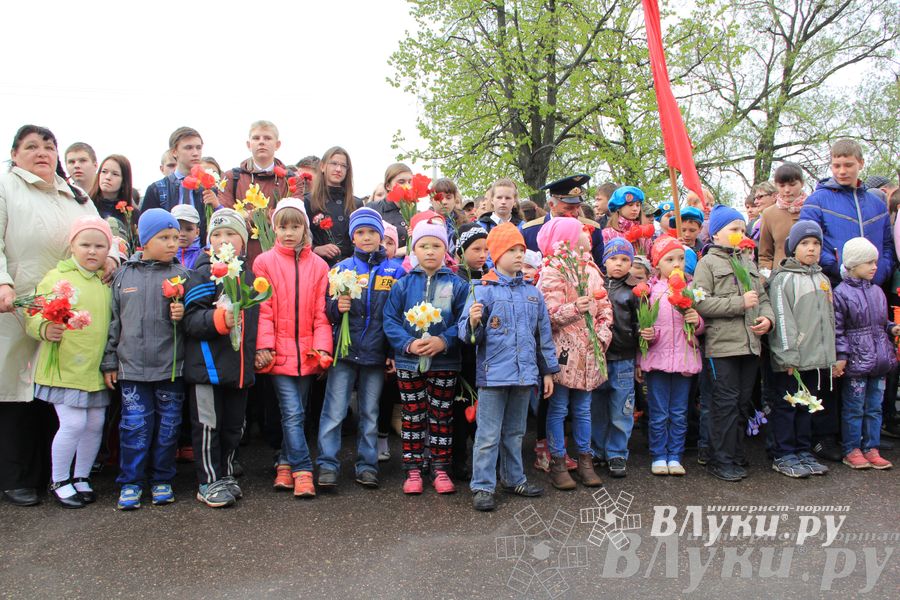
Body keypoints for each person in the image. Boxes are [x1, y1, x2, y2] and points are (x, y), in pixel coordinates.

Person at [0, 125, 109, 508]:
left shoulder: (74, 193)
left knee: (58, 397)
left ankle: (56, 474)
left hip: (74, 303)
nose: (42, 152)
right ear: (15, 154)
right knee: (17, 392)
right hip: (20, 302)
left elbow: (103, 231)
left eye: (49, 146)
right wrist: (2, 282)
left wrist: (111, 256)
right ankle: (17, 476)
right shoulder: (5, 186)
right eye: (32, 146)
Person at [460, 223, 558, 511]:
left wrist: (548, 370)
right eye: (511, 250)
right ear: (496, 253)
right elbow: (466, 336)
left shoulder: (532, 293)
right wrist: (472, 322)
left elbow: (543, 336)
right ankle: (482, 485)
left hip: (525, 375)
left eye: (521, 250)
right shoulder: (481, 290)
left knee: (515, 431)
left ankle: (513, 477)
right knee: (488, 434)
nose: (518, 255)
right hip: (493, 376)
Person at [102, 209, 189, 510]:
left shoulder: (182, 275)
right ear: (145, 239)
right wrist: (110, 361)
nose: (171, 244)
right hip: (132, 369)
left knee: (168, 428)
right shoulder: (124, 275)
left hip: (170, 369)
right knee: (135, 427)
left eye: (176, 238)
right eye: (163, 237)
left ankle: (162, 478)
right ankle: (131, 482)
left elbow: (194, 323)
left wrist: (183, 314)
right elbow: (114, 323)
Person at [25, 217, 113, 508]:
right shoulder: (57, 277)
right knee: (73, 423)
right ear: (72, 246)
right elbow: (34, 312)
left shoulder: (106, 279)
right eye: (85, 244)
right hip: (65, 366)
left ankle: (82, 476)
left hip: (94, 367)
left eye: (99, 246)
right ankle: (60, 479)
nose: (92, 251)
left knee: (95, 423)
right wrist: (43, 328)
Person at [317, 208, 405, 490]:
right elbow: (325, 310)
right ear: (353, 237)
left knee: (370, 412)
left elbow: (399, 315)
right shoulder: (341, 269)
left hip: (376, 353)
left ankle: (367, 465)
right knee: (334, 410)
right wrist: (336, 307)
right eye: (360, 233)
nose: (366, 238)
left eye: (372, 232)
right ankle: (328, 464)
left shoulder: (395, 270)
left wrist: (392, 352)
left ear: (381, 235)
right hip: (344, 352)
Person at [253, 199, 333, 498]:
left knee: (298, 412)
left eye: (295, 226)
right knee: (292, 413)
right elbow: (264, 309)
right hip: (279, 352)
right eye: (282, 226)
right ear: (273, 227)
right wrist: (265, 346)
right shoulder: (264, 262)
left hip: (308, 352)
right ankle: (302, 470)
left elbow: (320, 314)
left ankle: (285, 462)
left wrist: (323, 349)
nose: (289, 232)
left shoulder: (319, 266)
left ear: (305, 228)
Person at [383, 221, 469, 495]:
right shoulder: (403, 284)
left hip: (444, 363)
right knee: (412, 415)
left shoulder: (458, 285)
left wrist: (444, 340)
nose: (430, 251)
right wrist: (408, 344)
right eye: (423, 246)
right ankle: (413, 469)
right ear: (414, 250)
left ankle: (440, 468)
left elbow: (464, 321)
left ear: (445, 249)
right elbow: (390, 320)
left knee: (441, 415)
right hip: (409, 362)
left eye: (436, 245)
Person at [182, 208, 259, 508]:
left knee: (233, 426)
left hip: (238, 368)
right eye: (217, 235)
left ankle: (225, 472)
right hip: (208, 368)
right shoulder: (203, 273)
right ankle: (208, 480)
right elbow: (190, 319)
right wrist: (217, 320)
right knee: (208, 426)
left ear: (243, 240)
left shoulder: (248, 275)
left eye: (231, 234)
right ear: (208, 240)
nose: (223, 240)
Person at [693, 205, 774, 482]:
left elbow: (762, 299)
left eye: (742, 229)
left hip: (750, 345)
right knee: (724, 404)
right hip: (723, 347)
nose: (740, 234)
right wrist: (739, 303)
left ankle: (736, 452)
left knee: (741, 403)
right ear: (716, 234)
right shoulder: (708, 263)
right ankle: (721, 458)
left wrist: (767, 319)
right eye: (733, 229)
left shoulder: (747, 262)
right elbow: (701, 302)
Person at [536, 218, 612, 490]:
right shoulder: (553, 270)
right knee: (558, 409)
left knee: (583, 410)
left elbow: (604, 307)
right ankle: (557, 461)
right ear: (566, 237)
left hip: (590, 351)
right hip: (564, 352)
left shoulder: (591, 268)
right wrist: (574, 308)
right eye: (581, 230)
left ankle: (585, 460)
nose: (587, 233)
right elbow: (547, 316)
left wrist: (602, 336)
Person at [767, 221, 834, 478]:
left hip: (815, 359)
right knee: (787, 406)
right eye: (805, 243)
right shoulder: (784, 280)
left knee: (808, 405)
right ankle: (783, 453)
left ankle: (803, 450)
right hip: (791, 359)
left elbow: (829, 319)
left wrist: (831, 355)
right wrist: (787, 356)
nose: (811, 249)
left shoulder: (822, 279)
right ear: (793, 248)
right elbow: (783, 320)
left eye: (816, 243)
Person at [640, 236, 704, 476]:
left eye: (680, 259)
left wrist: (696, 322)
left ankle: (675, 455)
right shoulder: (651, 292)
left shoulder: (691, 290)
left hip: (684, 360)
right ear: (658, 264)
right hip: (658, 361)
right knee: (658, 412)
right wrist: (648, 335)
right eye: (670, 259)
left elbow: (701, 326)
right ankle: (658, 455)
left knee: (679, 412)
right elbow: (648, 325)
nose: (676, 264)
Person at [833, 238, 896, 470]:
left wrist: (891, 327)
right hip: (857, 361)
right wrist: (842, 356)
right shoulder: (840, 293)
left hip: (879, 359)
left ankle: (872, 447)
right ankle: (852, 448)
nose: (874, 266)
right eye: (868, 262)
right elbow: (838, 329)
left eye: (875, 262)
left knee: (874, 407)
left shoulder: (878, 291)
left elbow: (881, 321)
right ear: (853, 264)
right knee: (854, 407)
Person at [799, 139, 893, 287]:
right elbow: (807, 242)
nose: (842, 171)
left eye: (848, 165)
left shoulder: (878, 204)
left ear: (861, 163)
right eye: (837, 166)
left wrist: (882, 270)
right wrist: (839, 268)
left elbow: (887, 245)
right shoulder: (816, 202)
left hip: (874, 287)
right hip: (835, 285)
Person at [217, 121, 296, 266]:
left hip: (280, 258)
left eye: (267, 138)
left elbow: (291, 217)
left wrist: (248, 215)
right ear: (249, 144)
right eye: (256, 138)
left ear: (277, 144)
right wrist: (269, 216)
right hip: (241, 259)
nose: (261, 142)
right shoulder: (231, 178)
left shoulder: (291, 179)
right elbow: (228, 219)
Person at [591, 238, 639, 478]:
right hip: (599, 357)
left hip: (624, 358)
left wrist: (640, 358)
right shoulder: (595, 285)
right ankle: (598, 449)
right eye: (613, 259)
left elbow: (640, 326)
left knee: (622, 408)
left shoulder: (634, 290)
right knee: (597, 407)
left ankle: (617, 452)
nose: (618, 264)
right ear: (604, 261)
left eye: (624, 259)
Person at [451, 222, 490, 480]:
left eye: (486, 249)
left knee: (483, 412)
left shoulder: (491, 279)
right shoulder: (454, 280)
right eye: (476, 249)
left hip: (484, 356)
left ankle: (483, 461)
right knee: (460, 410)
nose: (482, 254)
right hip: (460, 355)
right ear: (461, 251)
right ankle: (458, 460)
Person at [141, 127, 220, 241]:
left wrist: (217, 206)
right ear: (174, 151)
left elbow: (220, 224)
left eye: (198, 148)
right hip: (168, 253)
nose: (195, 153)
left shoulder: (209, 187)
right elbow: (147, 228)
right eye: (188, 148)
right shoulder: (157, 189)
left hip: (201, 253)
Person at [521, 174, 605, 266]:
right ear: (551, 205)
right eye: (569, 208)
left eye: (578, 207)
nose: (575, 213)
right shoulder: (529, 232)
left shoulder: (593, 229)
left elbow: (601, 268)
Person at [305, 146, 362, 266]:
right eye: (334, 163)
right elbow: (298, 236)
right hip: (319, 266)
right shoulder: (308, 201)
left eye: (343, 166)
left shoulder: (356, 203)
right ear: (322, 166)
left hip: (351, 268)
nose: (338, 169)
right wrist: (316, 249)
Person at [758, 162, 808, 277]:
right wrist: (766, 278)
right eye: (782, 185)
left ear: (802, 183)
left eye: (792, 184)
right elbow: (765, 254)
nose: (787, 190)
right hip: (780, 277)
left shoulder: (813, 208)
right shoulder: (769, 214)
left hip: (809, 276)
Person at [89, 154, 139, 249]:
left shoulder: (132, 214)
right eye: (104, 172)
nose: (107, 177)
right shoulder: (86, 205)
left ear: (124, 180)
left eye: (115, 174)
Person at [369, 162, 413, 253]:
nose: (408, 186)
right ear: (388, 186)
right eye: (401, 182)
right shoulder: (373, 209)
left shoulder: (414, 211)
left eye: (410, 182)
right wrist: (397, 252)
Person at [602, 186, 651, 255]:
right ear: (618, 207)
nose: (635, 209)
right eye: (630, 205)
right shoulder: (607, 234)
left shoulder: (644, 234)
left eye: (638, 205)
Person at [171, 204, 203, 270]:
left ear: (197, 232)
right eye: (178, 228)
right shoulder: (163, 257)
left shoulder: (203, 257)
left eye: (189, 229)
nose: (182, 234)